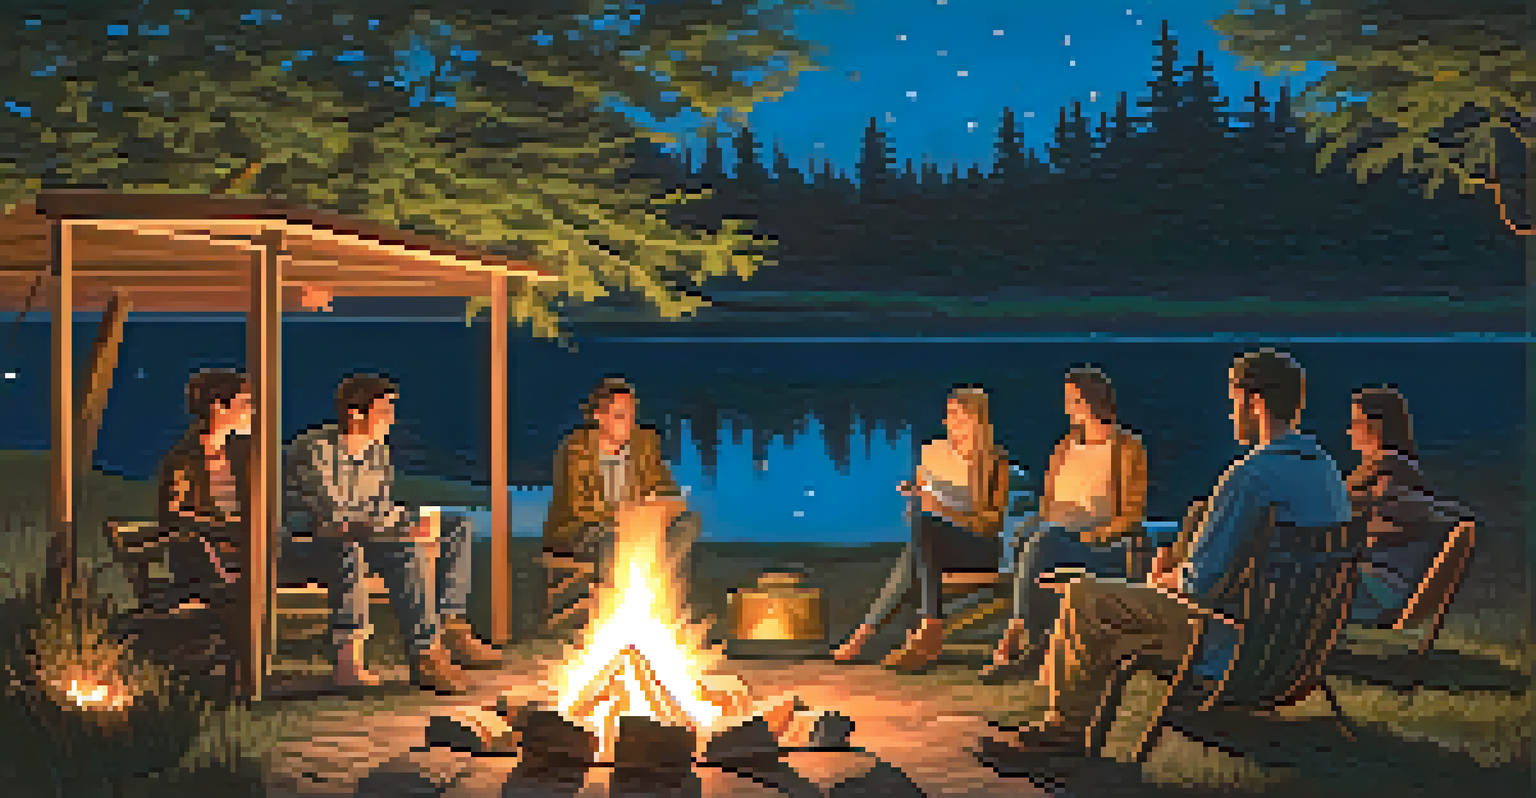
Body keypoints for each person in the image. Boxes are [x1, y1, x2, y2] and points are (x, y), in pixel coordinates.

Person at [977, 349, 1351, 758]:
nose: (1232, 414)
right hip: (1292, 657)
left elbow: (1199, 586)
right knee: (1107, 605)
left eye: (1234, 401)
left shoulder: (1252, 477)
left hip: (1233, 656)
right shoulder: (1326, 471)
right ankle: (1056, 714)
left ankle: (1062, 730)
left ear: (1254, 402)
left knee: (1086, 596)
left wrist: (1163, 578)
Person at [285, 374, 501, 694]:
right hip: (323, 538)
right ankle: (426, 654)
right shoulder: (315, 449)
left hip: (369, 533)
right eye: (384, 411)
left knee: (455, 526)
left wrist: (403, 522)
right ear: (356, 414)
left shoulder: (377, 451)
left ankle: (451, 624)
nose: (391, 419)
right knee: (407, 548)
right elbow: (331, 511)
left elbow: (381, 505)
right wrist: (393, 527)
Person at [980, 367, 1148, 683]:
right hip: (1059, 535)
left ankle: (1019, 635)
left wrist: (1092, 534)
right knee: (1023, 534)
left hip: (1101, 545)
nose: (1067, 407)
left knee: (1042, 541)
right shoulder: (1065, 447)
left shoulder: (1126, 448)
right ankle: (1035, 640)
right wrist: (1055, 517)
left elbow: (1131, 515)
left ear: (1089, 403)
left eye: (1072, 400)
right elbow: (1047, 504)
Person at [833, 386, 1011, 672]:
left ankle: (887, 634)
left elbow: (991, 524)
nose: (951, 423)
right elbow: (916, 517)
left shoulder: (994, 461)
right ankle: (920, 630)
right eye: (949, 415)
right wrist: (915, 498)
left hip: (977, 548)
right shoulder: (934, 452)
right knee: (917, 545)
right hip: (934, 544)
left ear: (977, 421)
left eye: (959, 416)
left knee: (920, 541)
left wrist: (942, 509)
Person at [544, 377, 700, 591]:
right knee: (613, 541)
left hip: (639, 525)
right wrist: (629, 515)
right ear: (598, 417)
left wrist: (664, 506)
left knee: (688, 523)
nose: (628, 424)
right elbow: (580, 509)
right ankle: (622, 603)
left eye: (630, 416)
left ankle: (650, 592)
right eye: (620, 416)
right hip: (586, 528)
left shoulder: (644, 444)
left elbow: (667, 490)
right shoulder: (576, 450)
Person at [1345, 386, 1468, 625]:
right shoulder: (1401, 474)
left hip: (1379, 595)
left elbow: (1366, 538)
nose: (1349, 431)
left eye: (1355, 422)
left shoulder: (1385, 478)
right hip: (1392, 592)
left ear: (1375, 427)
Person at [156, 369, 254, 616]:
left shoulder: (246, 456)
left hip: (248, 557)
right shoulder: (183, 459)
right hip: (207, 559)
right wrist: (226, 528)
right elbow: (173, 515)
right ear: (218, 407)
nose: (252, 412)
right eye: (245, 404)